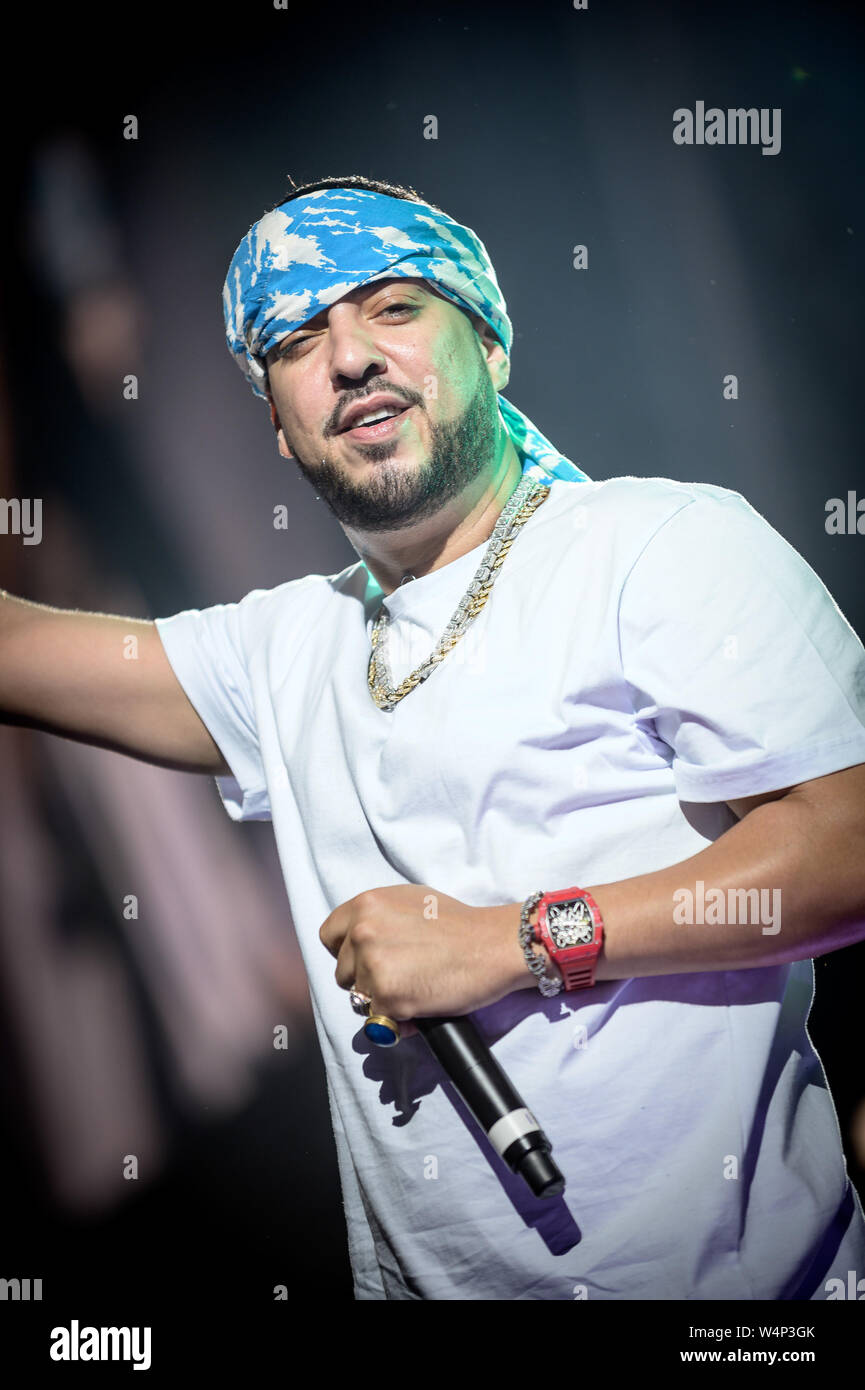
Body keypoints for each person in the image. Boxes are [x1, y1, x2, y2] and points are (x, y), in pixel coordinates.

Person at [3, 174, 865, 1302]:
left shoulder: (658, 543)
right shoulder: (283, 650)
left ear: (492, 346)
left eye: (393, 309)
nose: (350, 355)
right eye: (300, 339)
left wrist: (516, 941)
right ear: (275, 420)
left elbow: (846, 843)